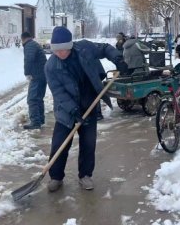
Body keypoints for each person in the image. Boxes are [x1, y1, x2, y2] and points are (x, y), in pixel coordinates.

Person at [44, 26, 128, 192]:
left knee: (88, 143)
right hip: (66, 111)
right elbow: (58, 92)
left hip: (89, 102)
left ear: (70, 45)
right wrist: (73, 110)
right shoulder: (51, 66)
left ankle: (85, 175)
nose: (59, 53)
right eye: (56, 50)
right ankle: (56, 177)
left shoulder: (84, 48)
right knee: (59, 144)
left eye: (63, 49)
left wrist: (118, 59)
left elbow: (105, 48)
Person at [21, 32, 47, 130]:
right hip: (43, 75)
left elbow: (29, 59)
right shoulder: (34, 44)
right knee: (39, 98)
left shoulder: (29, 45)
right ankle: (40, 120)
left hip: (37, 76)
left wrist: (27, 73)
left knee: (32, 99)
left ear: (23, 39)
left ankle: (35, 122)